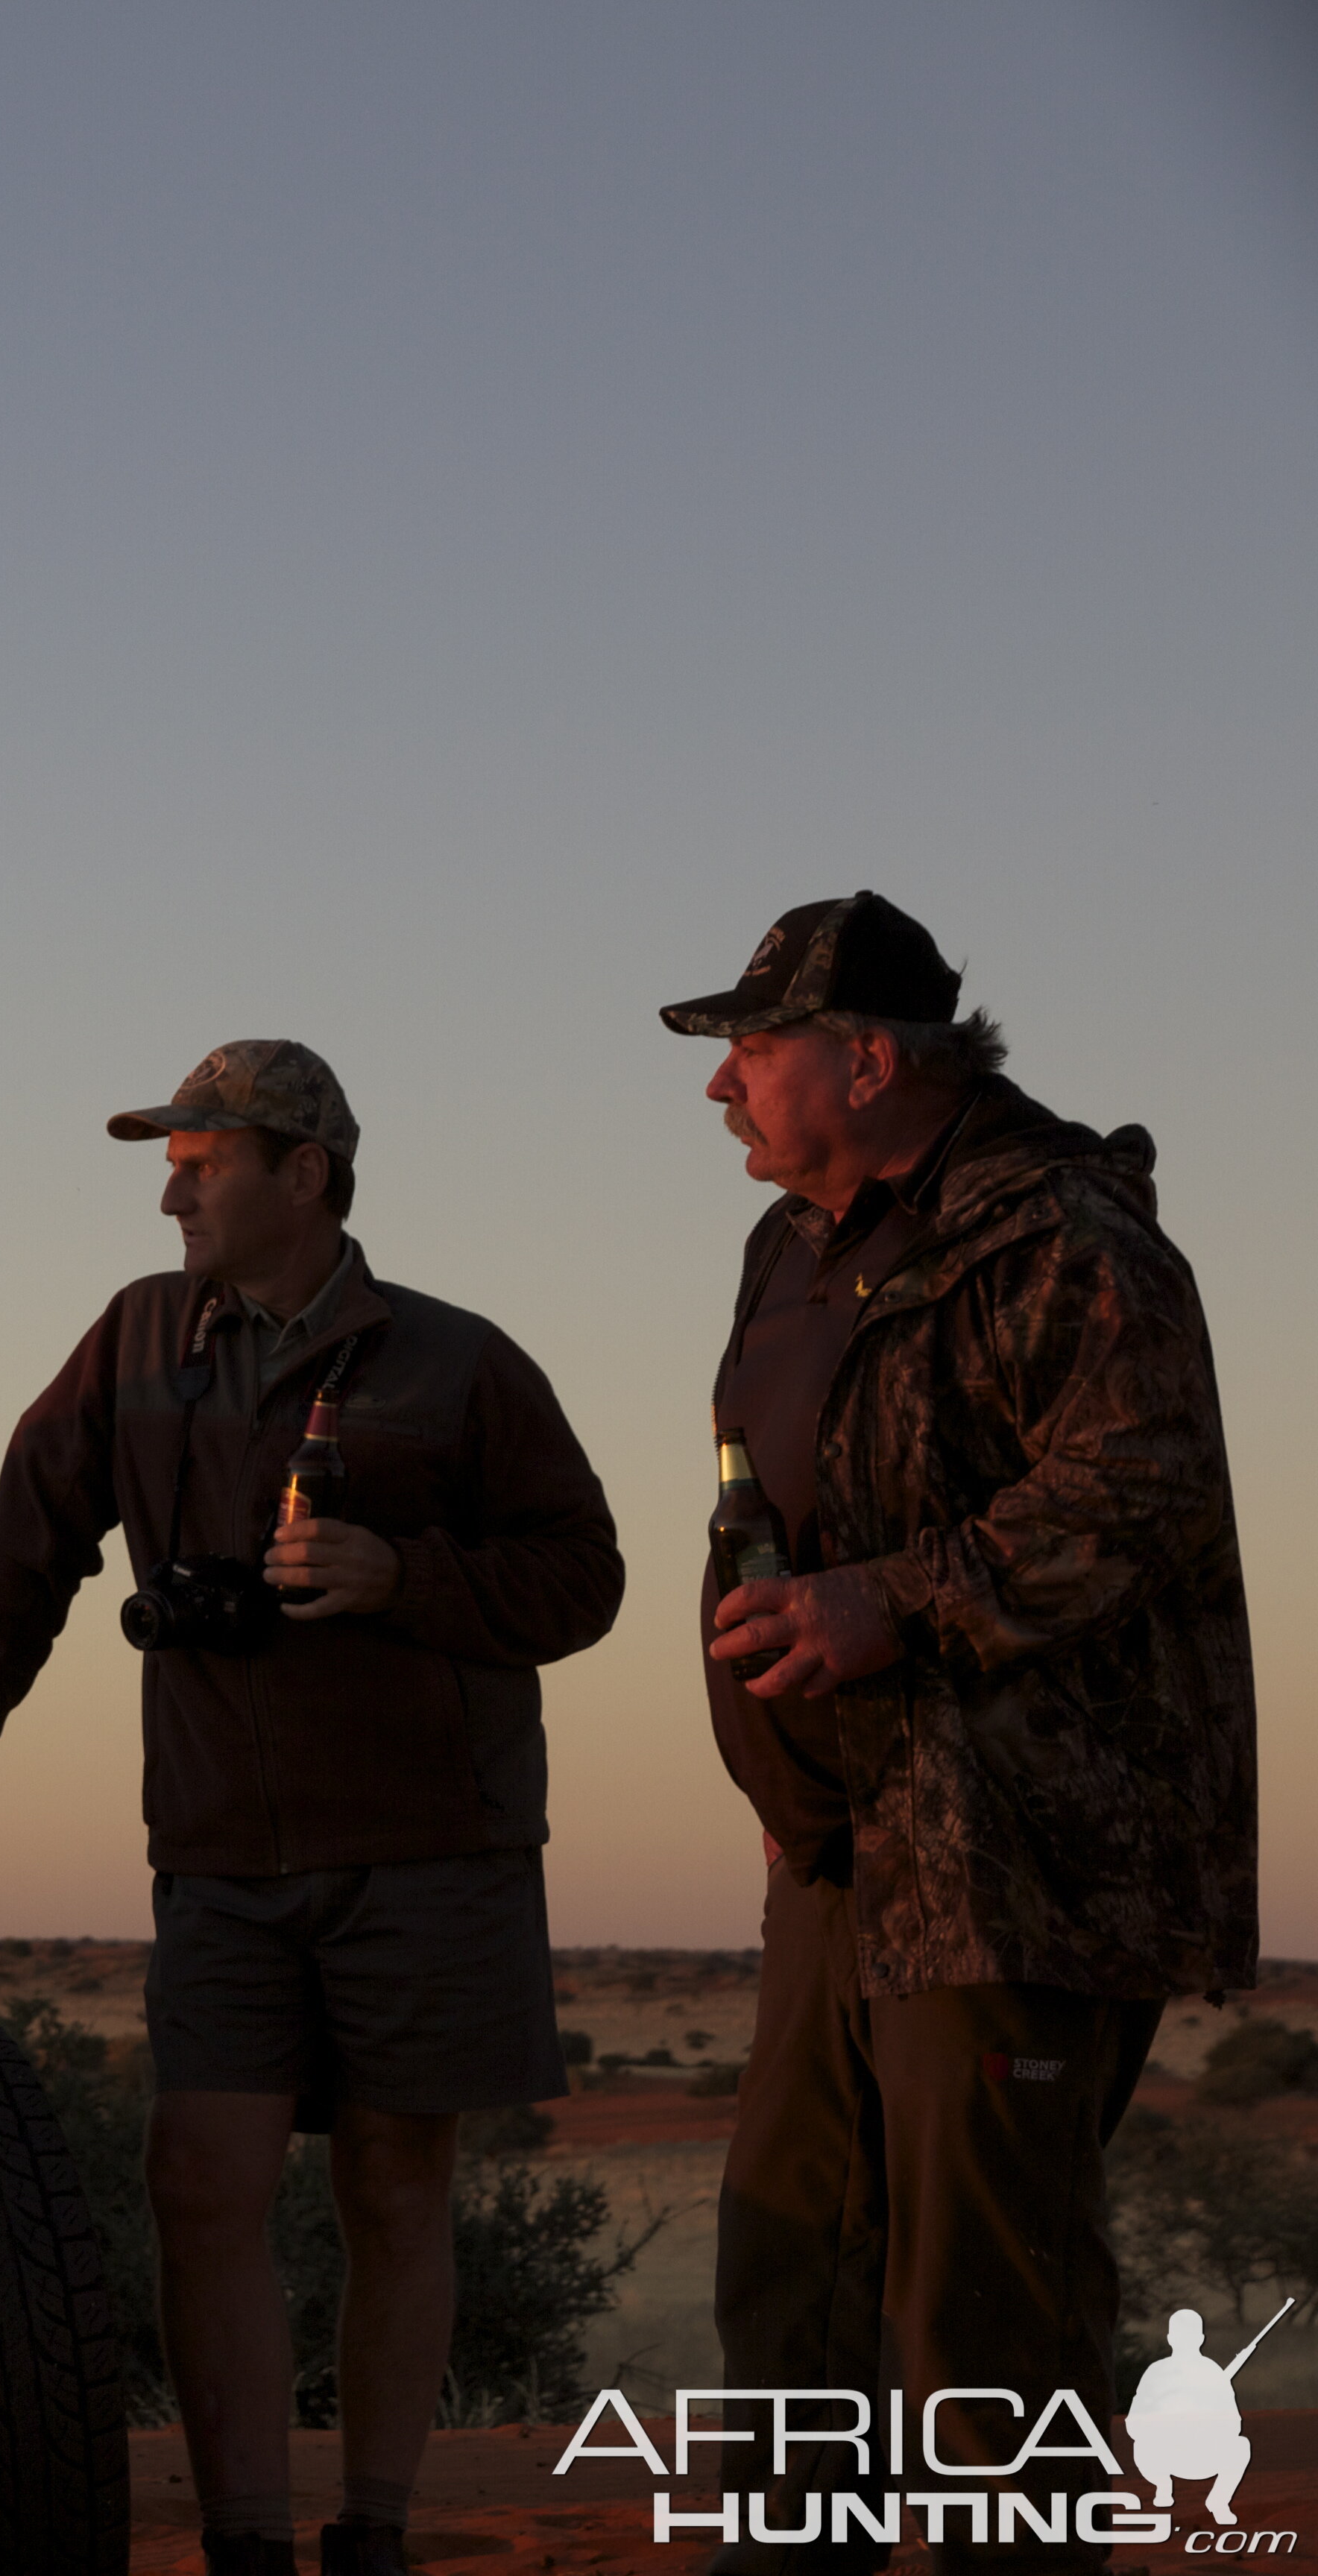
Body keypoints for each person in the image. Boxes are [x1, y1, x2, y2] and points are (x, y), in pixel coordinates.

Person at [0, 1041, 623, 2576]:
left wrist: (400, 1577)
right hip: (223, 1851)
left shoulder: (458, 1362)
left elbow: (586, 1579)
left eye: (202, 1158)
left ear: (302, 1173)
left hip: (431, 1845)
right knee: (201, 2179)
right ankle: (244, 2540)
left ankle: (370, 2530)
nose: (171, 1191)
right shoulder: (133, 1341)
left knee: (394, 2182)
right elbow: (30, 1537)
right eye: (167, 1161)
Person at [666, 893, 1254, 2572]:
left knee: (980, 2322)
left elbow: (1144, 1487)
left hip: (1018, 1855)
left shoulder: (1067, 1231)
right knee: (795, 2280)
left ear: (870, 1059)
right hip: (833, 1849)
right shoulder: (795, 1251)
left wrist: (892, 1604)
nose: (723, 1091)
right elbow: (757, 1515)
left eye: (753, 1052)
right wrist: (779, 1757)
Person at [1125, 2308, 1258, 2525]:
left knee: (1240, 2446)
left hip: (1201, 2456)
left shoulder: (1212, 2373)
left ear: (1170, 2339)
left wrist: (1201, 2424)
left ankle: (1218, 2501)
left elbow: (1233, 2426)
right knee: (1142, 2445)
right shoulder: (1158, 2372)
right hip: (1163, 2455)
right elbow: (1134, 2425)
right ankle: (1163, 2485)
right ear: (1201, 2339)